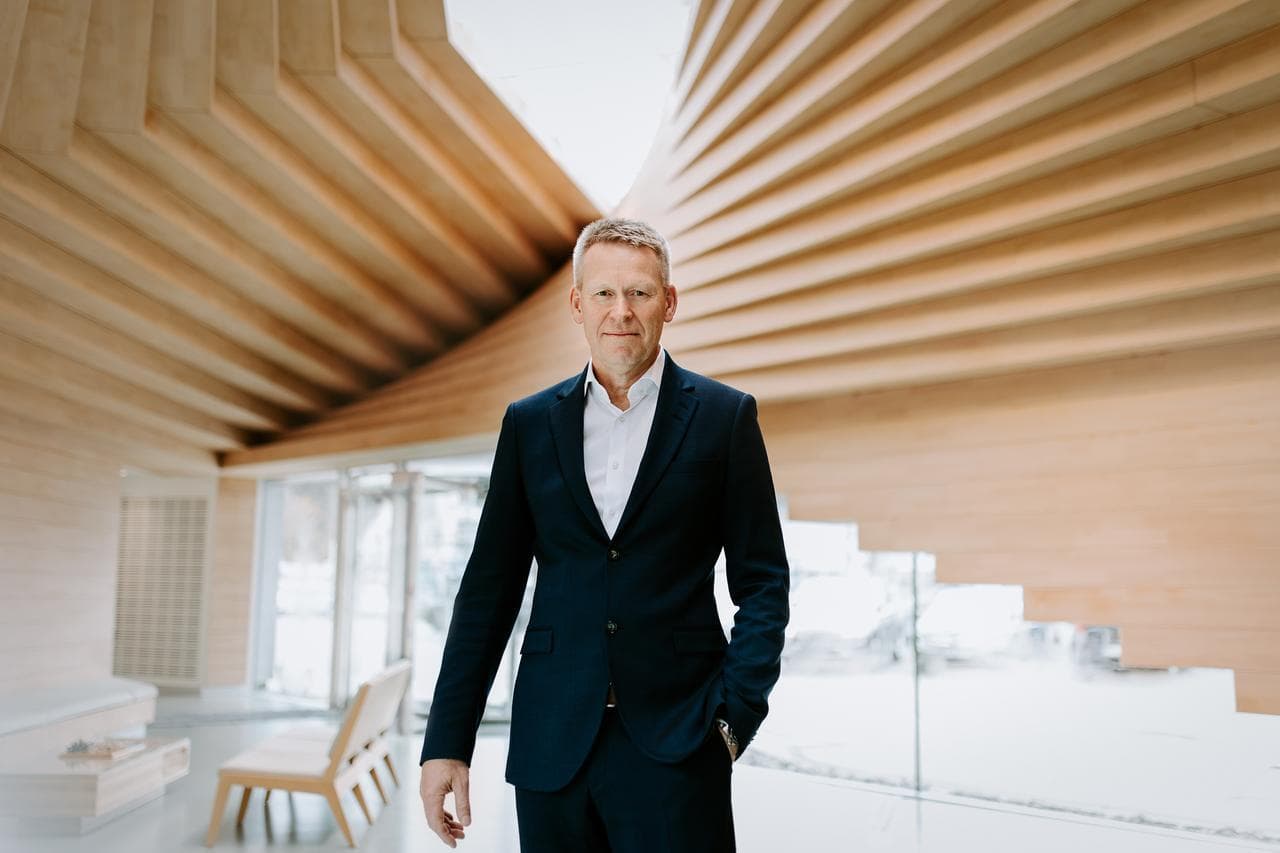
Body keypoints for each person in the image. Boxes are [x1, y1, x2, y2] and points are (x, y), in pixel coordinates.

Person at [418, 218, 790, 852]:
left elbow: (763, 584)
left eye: (641, 293)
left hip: (681, 742)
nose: (622, 311)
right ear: (577, 304)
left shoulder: (726, 418)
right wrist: (448, 741)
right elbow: (488, 591)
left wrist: (733, 720)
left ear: (668, 303)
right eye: (604, 293)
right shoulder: (529, 424)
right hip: (552, 745)